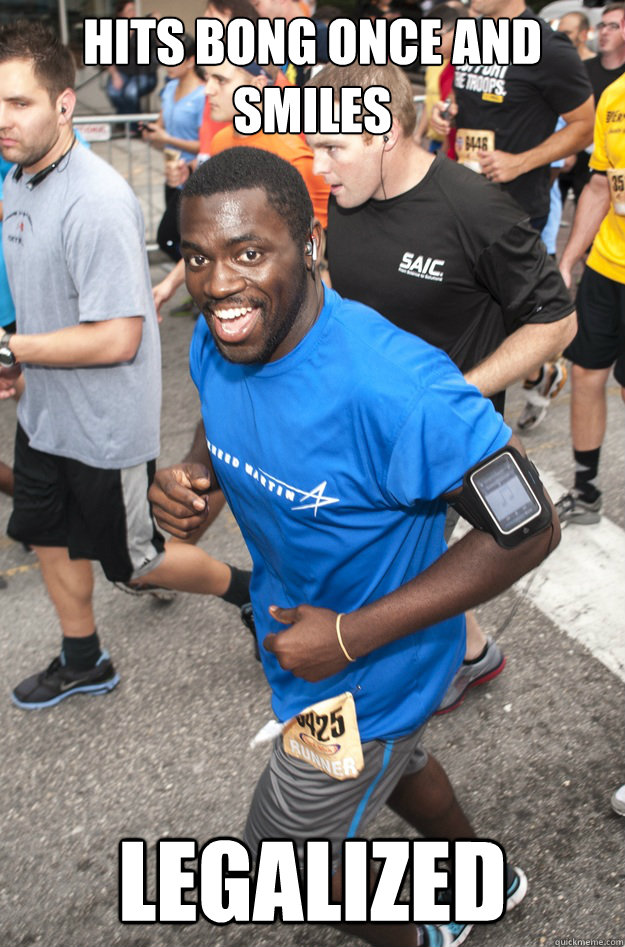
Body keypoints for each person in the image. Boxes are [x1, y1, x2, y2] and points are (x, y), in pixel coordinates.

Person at [148, 145, 554, 947]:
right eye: (198, 257)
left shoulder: (396, 387)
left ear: (310, 245)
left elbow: (529, 522)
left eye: (249, 252)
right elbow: (224, 408)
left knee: (275, 864)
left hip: (367, 669)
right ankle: (483, 878)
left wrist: (345, 636)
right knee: (398, 765)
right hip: (300, 640)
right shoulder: (225, 335)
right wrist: (199, 478)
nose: (219, 283)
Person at [305, 61, 576, 712]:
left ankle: (419, 688)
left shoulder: (473, 208)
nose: (319, 167)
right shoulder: (346, 196)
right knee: (396, 562)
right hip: (370, 423)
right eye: (314, 147)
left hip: (448, 437)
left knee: (416, 565)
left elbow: (556, 320)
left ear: (385, 135)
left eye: (333, 146)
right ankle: (473, 654)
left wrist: (456, 392)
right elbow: (345, 293)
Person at [0, 21, 251, 709]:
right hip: (45, 409)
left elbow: (118, 338)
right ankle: (84, 658)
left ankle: (249, 591)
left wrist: (9, 348)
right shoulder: (20, 181)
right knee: (44, 532)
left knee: (134, 564)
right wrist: (20, 355)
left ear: (63, 103)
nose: (3, 119)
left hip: (104, 426)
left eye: (18, 102)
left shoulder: (97, 200)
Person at [431, 0, 594, 431]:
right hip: (461, 202)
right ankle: (524, 381)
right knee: (469, 323)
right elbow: (468, 106)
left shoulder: (548, 46)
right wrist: (445, 115)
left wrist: (521, 161)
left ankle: (489, 436)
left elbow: (584, 126)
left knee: (500, 325)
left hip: (515, 211)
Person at [151, 59, 330, 313]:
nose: (208, 90)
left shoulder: (293, 157)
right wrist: (169, 284)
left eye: (221, 80)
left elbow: (319, 259)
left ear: (257, 85)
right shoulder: (221, 141)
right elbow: (216, 237)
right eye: (208, 79)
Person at [557, 15, 625, 527]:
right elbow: (600, 186)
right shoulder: (614, 98)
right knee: (586, 374)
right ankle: (585, 490)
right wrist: (569, 258)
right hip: (607, 265)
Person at [141, 32, 206, 262]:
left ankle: (198, 277)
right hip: (171, 173)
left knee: (167, 238)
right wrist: (150, 133)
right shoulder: (168, 90)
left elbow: (205, 145)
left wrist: (166, 138)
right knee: (180, 238)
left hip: (192, 176)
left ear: (191, 60)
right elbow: (160, 129)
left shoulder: (203, 95)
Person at [559, 5, 625, 208]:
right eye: (602, 25)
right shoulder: (582, 69)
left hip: (611, 163)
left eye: (613, 26)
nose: (604, 32)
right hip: (576, 160)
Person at [105, 1, 159, 119]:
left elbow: (160, 44)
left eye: (134, 10)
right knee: (113, 91)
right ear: (121, 14)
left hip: (145, 74)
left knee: (130, 92)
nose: (133, 13)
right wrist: (115, 75)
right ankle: (126, 122)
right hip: (123, 73)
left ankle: (133, 127)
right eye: (129, 10)